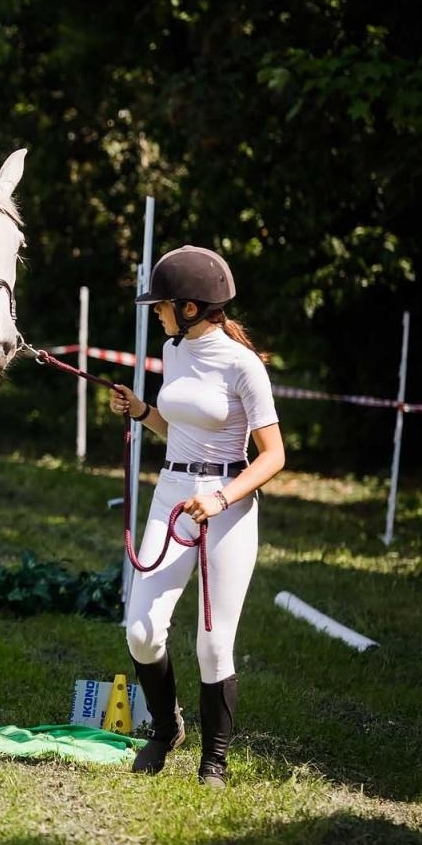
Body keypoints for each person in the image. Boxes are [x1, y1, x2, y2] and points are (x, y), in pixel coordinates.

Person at [105, 245, 285, 788]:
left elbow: (274, 455)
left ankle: (216, 761)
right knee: (140, 631)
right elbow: (178, 428)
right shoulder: (174, 350)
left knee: (213, 642)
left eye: (161, 303)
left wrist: (223, 498)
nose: (155, 311)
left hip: (224, 505)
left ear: (188, 306)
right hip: (172, 493)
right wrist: (141, 411)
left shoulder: (243, 365)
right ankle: (166, 727)